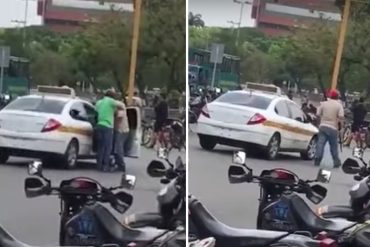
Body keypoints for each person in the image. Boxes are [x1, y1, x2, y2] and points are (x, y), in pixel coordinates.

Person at [95, 89, 125, 172]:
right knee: (108, 147)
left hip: (99, 125)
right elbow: (121, 106)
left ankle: (99, 165)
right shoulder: (111, 101)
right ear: (112, 96)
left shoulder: (99, 102)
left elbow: (96, 111)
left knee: (100, 147)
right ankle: (105, 166)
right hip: (107, 126)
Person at [315, 89, 344, 168]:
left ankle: (317, 159)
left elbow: (317, 114)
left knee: (320, 144)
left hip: (323, 126)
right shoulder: (339, 105)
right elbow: (341, 117)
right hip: (333, 128)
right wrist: (340, 126)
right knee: (333, 146)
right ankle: (336, 161)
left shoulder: (323, 104)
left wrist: (320, 121)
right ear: (338, 96)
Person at [113, 96, 130, 174]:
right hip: (120, 130)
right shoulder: (121, 108)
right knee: (117, 148)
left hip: (122, 130)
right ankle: (118, 163)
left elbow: (118, 118)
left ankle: (121, 165)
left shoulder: (121, 109)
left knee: (118, 148)